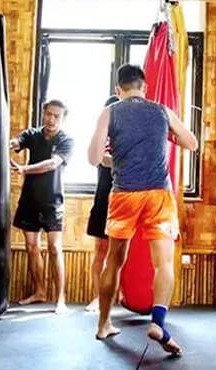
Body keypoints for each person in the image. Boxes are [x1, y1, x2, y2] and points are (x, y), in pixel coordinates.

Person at [88, 64, 197, 354]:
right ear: (144, 87)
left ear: (118, 90)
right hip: (158, 195)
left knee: (114, 260)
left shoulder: (110, 111)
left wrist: (118, 159)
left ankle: (103, 324)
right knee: (163, 263)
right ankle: (158, 322)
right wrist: (169, 136)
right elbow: (192, 143)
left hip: (124, 194)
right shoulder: (162, 111)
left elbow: (94, 157)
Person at [10, 100, 73, 314]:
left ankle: (61, 299)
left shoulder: (66, 140)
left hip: (52, 200)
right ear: (43, 113)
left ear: (62, 118)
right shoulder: (33, 134)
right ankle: (39, 291)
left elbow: (52, 164)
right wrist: (6, 142)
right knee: (31, 246)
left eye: (56, 116)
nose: (51, 119)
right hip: (29, 199)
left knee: (55, 248)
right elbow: (17, 141)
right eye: (48, 114)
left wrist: (24, 169)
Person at [85, 95, 119, 313]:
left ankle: (120, 295)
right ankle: (98, 297)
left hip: (125, 198)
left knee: (122, 252)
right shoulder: (101, 136)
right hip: (102, 198)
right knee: (100, 249)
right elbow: (99, 158)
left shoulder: (132, 137)